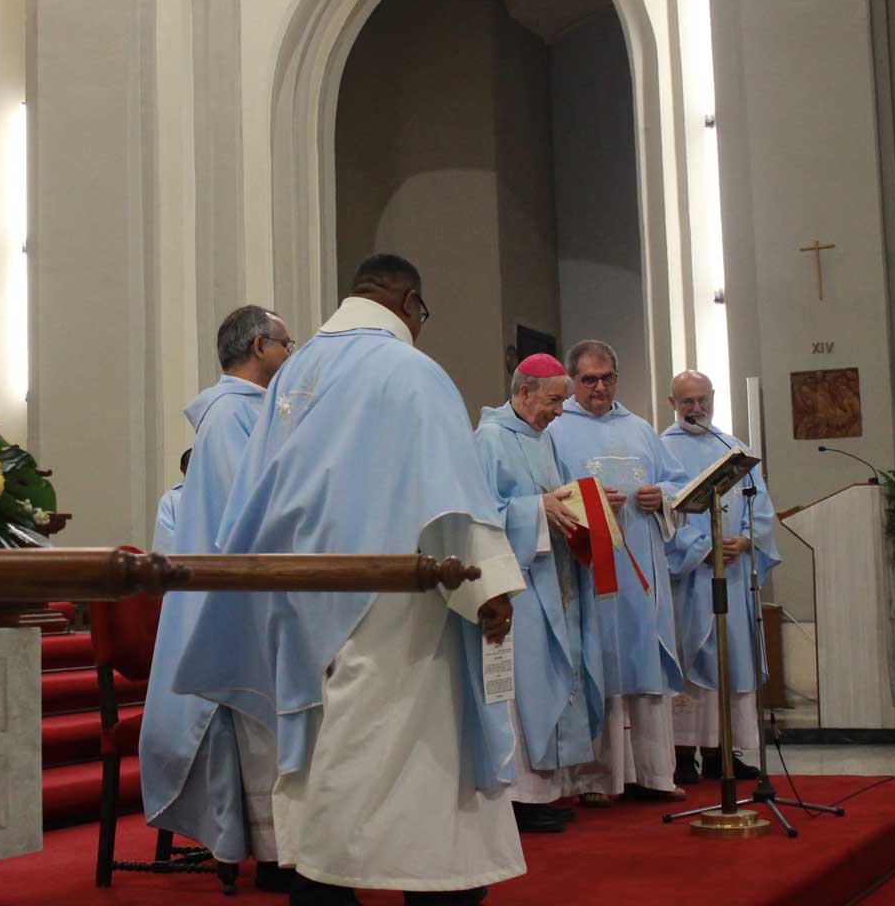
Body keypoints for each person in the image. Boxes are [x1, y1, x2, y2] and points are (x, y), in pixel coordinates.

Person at [172, 254, 524, 906]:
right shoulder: (414, 373)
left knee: (323, 768)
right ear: (411, 303)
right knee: (419, 777)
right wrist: (489, 589)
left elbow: (255, 495)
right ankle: (434, 892)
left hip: (306, 607)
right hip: (396, 611)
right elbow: (452, 498)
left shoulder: (290, 374)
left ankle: (321, 887)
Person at [141, 307, 294, 889]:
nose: (291, 354)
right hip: (246, 597)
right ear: (261, 346)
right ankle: (278, 854)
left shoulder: (248, 412)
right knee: (266, 721)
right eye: (287, 343)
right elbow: (248, 507)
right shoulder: (233, 414)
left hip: (255, 591)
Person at [545, 340, 688, 806]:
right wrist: (588, 503)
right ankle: (598, 779)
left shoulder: (642, 429)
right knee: (598, 661)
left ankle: (654, 775)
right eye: (589, 380)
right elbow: (546, 493)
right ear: (572, 382)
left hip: (641, 565)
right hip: (592, 566)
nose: (600, 387)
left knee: (645, 663)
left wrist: (660, 497)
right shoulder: (555, 428)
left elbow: (675, 484)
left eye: (608, 377)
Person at [473, 353, 604, 834]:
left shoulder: (544, 439)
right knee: (524, 686)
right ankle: (520, 796)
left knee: (553, 677)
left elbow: (558, 496)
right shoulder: (489, 439)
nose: (559, 412)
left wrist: (588, 501)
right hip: (518, 589)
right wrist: (536, 510)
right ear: (524, 392)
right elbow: (482, 514)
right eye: (553, 401)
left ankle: (545, 790)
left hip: (555, 579)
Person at [662, 371, 781, 783]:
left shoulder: (734, 450)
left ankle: (722, 754)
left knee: (731, 661)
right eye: (686, 402)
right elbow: (663, 516)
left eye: (702, 400)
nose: (696, 409)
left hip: (730, 576)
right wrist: (702, 549)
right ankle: (681, 755)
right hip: (688, 581)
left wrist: (746, 541)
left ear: (713, 398)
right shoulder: (662, 451)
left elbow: (761, 508)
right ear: (672, 403)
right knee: (689, 662)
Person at [151, 448, 191, 556]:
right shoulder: (171, 499)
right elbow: (164, 540)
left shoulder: (216, 495)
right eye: (191, 465)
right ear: (182, 469)